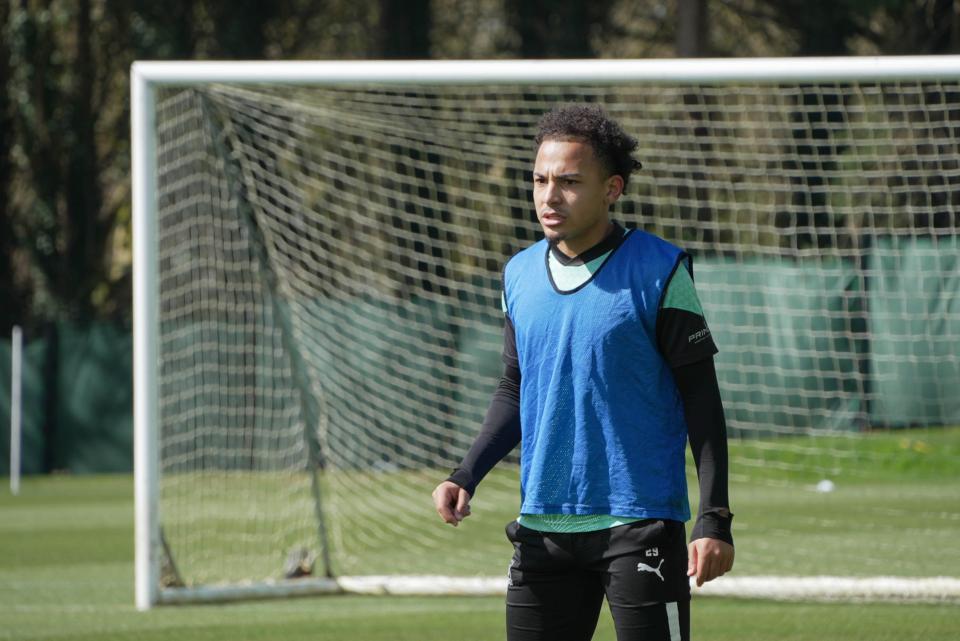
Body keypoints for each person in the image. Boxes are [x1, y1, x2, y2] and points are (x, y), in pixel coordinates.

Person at [432, 104, 734, 641]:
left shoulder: (660, 270)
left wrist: (714, 520)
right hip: (542, 529)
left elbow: (701, 400)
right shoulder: (519, 273)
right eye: (540, 180)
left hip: (639, 525)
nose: (550, 196)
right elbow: (515, 388)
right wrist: (465, 474)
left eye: (570, 182)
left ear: (612, 188)